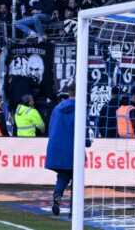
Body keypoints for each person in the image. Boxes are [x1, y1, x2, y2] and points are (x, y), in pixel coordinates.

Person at [45, 89, 86, 217]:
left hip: (56, 147)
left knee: (63, 174)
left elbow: (51, 127)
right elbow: (82, 129)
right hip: (72, 148)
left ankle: (57, 196)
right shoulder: (79, 108)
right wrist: (87, 142)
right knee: (76, 176)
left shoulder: (57, 108)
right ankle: (74, 208)